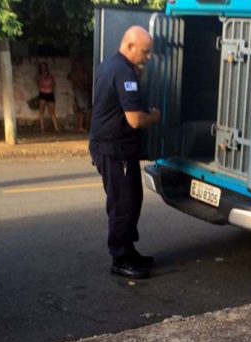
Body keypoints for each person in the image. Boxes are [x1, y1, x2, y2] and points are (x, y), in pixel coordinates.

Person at [89, 26, 161, 279]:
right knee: (123, 204)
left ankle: (129, 250)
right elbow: (135, 120)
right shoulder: (123, 72)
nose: (148, 57)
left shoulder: (110, 65)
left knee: (132, 199)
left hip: (114, 147)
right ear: (130, 46)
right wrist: (154, 116)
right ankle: (120, 258)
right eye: (145, 52)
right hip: (114, 149)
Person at [68, 59, 91, 133]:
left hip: (84, 92)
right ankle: (80, 126)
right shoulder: (75, 74)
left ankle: (82, 126)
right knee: (81, 110)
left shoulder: (84, 73)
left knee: (84, 110)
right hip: (79, 92)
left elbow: (86, 82)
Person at [37, 62, 59, 133]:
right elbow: (38, 83)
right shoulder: (39, 76)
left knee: (52, 111)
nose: (43, 68)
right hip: (42, 93)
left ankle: (56, 128)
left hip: (50, 93)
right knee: (41, 110)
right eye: (41, 67)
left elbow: (54, 83)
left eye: (44, 67)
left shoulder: (50, 75)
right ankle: (42, 127)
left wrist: (51, 88)